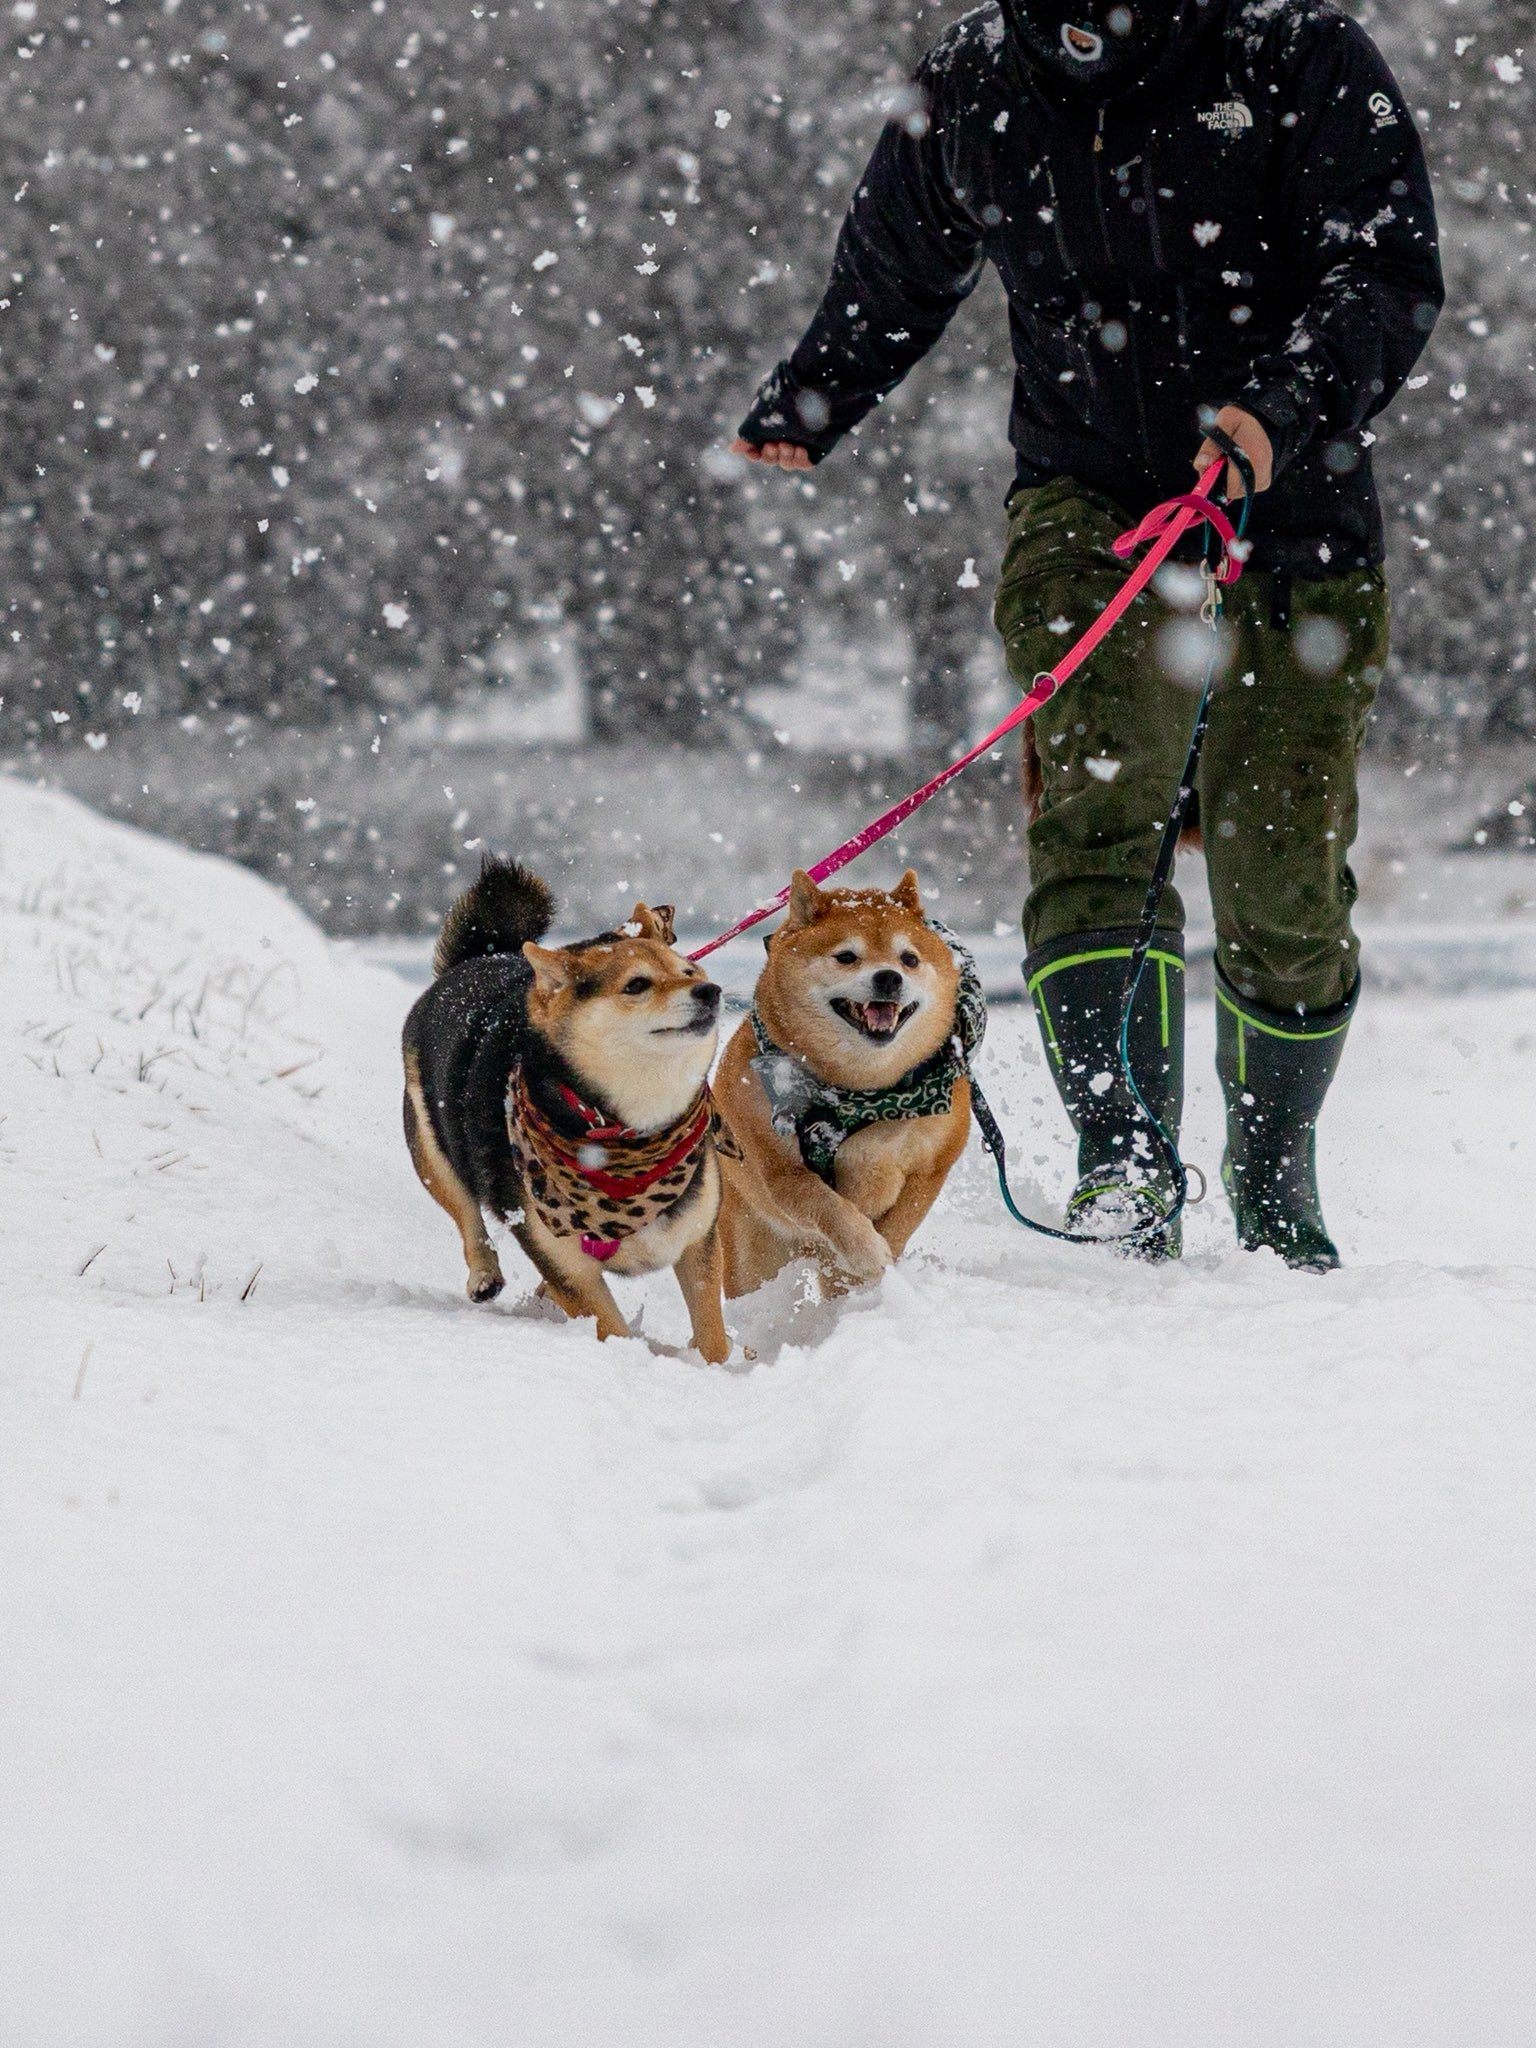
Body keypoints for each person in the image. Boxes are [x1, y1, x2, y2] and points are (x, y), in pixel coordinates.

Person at [731, 0, 1442, 1269]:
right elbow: (899, 262)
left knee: (1282, 876)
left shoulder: (1297, 55)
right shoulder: (971, 81)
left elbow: (1386, 271)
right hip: (1090, 503)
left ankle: (1276, 1183)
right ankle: (1126, 1161)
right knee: (1096, 818)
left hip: (1298, 508)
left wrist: (1277, 409)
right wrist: (814, 392)